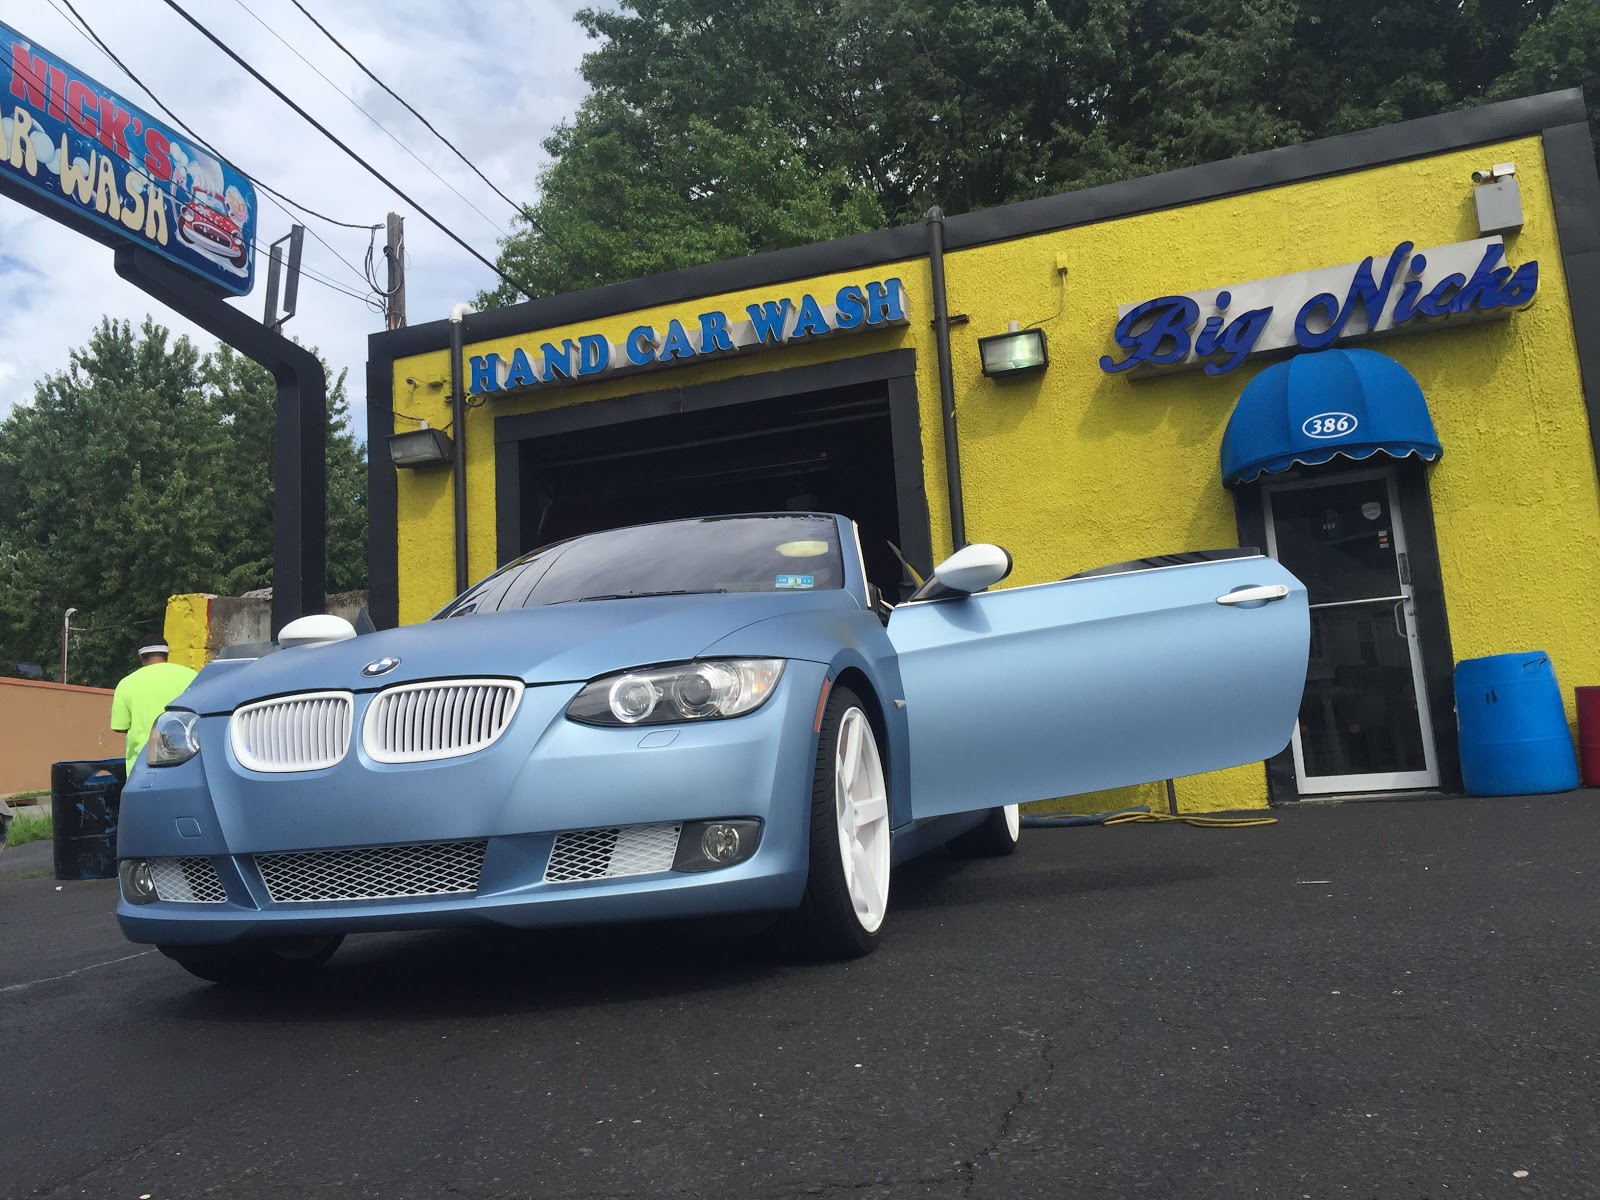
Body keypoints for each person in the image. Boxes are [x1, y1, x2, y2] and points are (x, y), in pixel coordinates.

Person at [110, 643, 198, 777]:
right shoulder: (191, 676)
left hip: (141, 767)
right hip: (188, 763)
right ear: (167, 654)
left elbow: (120, 726)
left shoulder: (126, 684)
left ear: (141, 657)